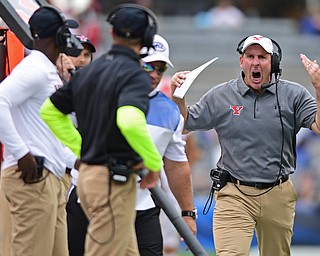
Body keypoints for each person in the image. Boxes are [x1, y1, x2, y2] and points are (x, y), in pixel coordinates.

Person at [170, 34, 320, 256]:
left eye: (262, 57)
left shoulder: (293, 94)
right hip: (234, 192)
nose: (256, 62)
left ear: (273, 62)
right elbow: (184, 125)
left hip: (278, 193)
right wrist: (178, 99)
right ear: (242, 61)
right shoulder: (222, 95)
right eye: (250, 56)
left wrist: (318, 88)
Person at [40, 4, 162, 256]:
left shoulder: (90, 70)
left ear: (113, 31)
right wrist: (153, 162)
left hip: (90, 176)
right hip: (111, 180)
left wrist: (82, 150)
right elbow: (128, 119)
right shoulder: (135, 74)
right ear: (147, 37)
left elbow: (50, 112)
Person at [0, 6, 80, 256]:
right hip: (33, 177)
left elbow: (45, 128)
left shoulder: (46, 69)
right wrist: (22, 153)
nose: (67, 36)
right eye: (63, 30)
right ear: (52, 35)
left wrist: (74, 160)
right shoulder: (35, 68)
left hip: (51, 176)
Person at [135, 34, 197, 256]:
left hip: (145, 205)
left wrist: (188, 214)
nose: (154, 74)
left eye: (160, 69)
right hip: (100, 202)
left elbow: (178, 165)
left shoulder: (170, 111)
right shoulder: (105, 94)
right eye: (148, 66)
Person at [56, 34, 96, 256]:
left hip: (80, 177)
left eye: (87, 55)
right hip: (57, 173)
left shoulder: (92, 93)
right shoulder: (47, 84)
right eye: (76, 53)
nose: (81, 59)